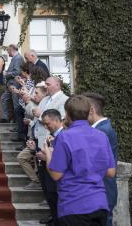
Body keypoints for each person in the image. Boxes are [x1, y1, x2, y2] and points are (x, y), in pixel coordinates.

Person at [41, 95, 116, 226]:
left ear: (67, 114)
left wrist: (48, 155)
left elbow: (56, 174)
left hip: (74, 204)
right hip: (99, 203)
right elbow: (110, 172)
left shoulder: (65, 137)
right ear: (89, 112)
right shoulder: (101, 136)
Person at [83, 92, 118, 226]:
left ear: (91, 110)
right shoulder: (100, 128)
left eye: (81, 110)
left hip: (102, 189)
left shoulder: (101, 131)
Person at [34, 109, 64, 226]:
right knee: (51, 197)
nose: (46, 127)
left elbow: (62, 158)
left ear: (56, 120)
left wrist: (47, 156)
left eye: (47, 124)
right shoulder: (53, 135)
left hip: (57, 177)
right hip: (48, 173)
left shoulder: (64, 135)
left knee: (55, 199)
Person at [17, 84, 47, 191]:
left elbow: (50, 123)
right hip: (34, 139)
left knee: (43, 166)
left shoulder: (38, 105)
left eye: (36, 93)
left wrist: (31, 121)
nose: (34, 95)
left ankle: (37, 181)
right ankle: (36, 180)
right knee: (23, 158)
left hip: (44, 142)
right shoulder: (38, 104)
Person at [0, 44, 24, 123]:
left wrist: (6, 73)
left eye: (8, 50)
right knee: (3, 99)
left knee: (16, 103)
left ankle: (17, 122)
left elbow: (17, 72)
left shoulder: (18, 58)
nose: (7, 52)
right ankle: (5, 118)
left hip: (15, 84)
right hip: (10, 84)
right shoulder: (15, 58)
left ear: (12, 49)